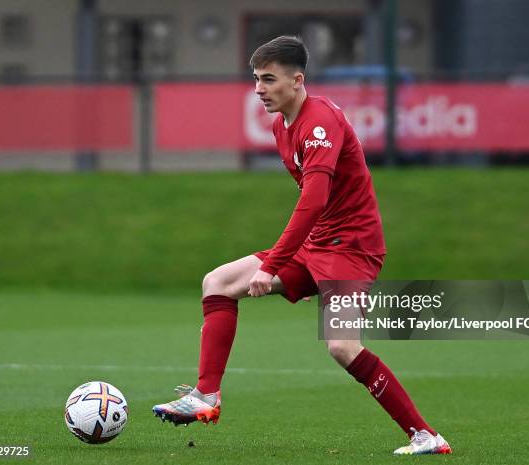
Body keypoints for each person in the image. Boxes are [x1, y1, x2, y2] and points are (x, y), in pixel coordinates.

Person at [152, 35, 452, 456]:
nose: (259, 89)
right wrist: (281, 260)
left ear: (297, 80)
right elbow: (313, 209)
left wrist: (271, 265)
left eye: (268, 79)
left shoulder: (319, 122)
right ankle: (206, 396)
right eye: (256, 79)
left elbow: (313, 201)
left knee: (342, 346)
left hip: (352, 247)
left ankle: (426, 436)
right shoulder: (281, 125)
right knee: (217, 281)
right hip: (317, 244)